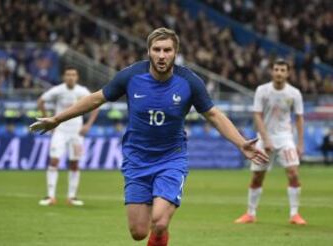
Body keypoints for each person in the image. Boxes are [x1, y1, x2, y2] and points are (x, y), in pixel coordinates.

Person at [30, 28, 268, 245]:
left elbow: (214, 115)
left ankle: (161, 229)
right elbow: (96, 98)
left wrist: (240, 143)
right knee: (138, 232)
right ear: (149, 52)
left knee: (160, 220)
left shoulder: (190, 82)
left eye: (167, 50)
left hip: (171, 159)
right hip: (137, 159)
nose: (162, 55)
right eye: (157, 50)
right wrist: (57, 119)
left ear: (176, 53)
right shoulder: (131, 76)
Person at [235, 59, 307, 225]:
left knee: (293, 174)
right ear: (272, 71)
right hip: (263, 137)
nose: (279, 73)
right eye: (276, 69)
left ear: (288, 73)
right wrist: (265, 139)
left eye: (282, 70)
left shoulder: (294, 93)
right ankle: (250, 214)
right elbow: (257, 115)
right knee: (257, 177)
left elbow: (299, 118)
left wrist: (300, 143)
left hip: (285, 138)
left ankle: (294, 214)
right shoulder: (262, 90)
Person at [37, 67, 99, 206]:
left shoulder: (82, 91)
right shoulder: (58, 90)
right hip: (60, 131)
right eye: (68, 74)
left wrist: (88, 125)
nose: (71, 77)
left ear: (77, 77)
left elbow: (96, 105)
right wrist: (47, 120)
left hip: (76, 133)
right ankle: (50, 196)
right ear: (64, 77)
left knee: (75, 164)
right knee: (54, 161)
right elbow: (41, 101)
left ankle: (71, 197)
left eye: (73, 74)